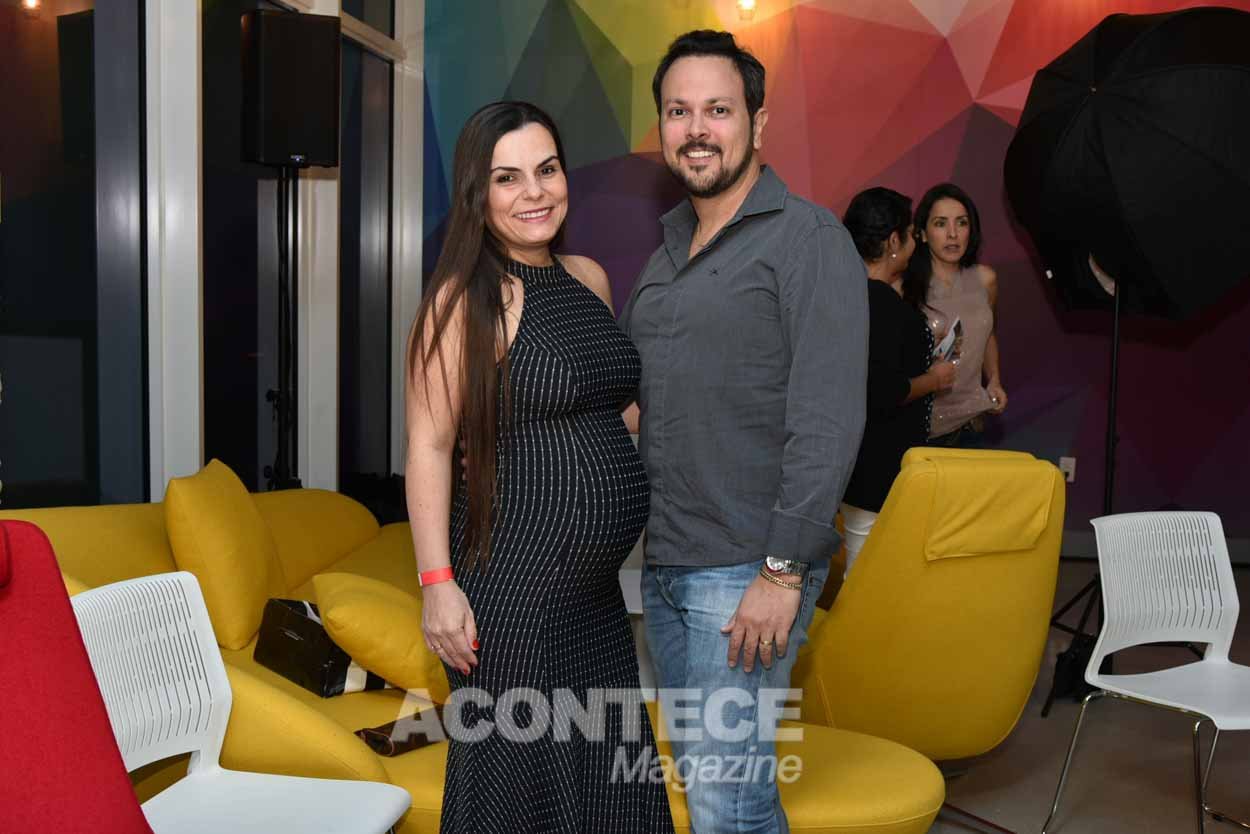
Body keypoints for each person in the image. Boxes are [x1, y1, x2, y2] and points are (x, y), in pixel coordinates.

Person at [621, 30, 868, 833]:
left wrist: (781, 573)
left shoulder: (808, 240)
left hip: (746, 572)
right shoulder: (665, 255)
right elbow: (638, 401)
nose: (697, 129)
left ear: (757, 122)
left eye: (718, 110)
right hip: (668, 564)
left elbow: (828, 419)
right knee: (716, 789)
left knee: (725, 801)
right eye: (678, 111)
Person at [405, 101, 674, 834]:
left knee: (606, 786)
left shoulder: (588, 277)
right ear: (478, 193)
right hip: (514, 594)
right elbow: (428, 446)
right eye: (508, 177)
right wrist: (437, 586)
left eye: (547, 170)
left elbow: (607, 409)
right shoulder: (463, 302)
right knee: (515, 795)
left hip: (592, 597)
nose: (535, 192)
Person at [839, 187, 956, 575]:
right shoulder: (887, 308)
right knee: (868, 577)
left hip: (846, 463)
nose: (915, 243)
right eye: (909, 234)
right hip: (878, 469)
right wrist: (934, 378)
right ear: (893, 242)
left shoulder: (840, 297)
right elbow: (885, 390)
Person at [902, 182, 1007, 448]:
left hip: (972, 423)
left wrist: (994, 380)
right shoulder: (904, 288)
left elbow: (988, 335)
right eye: (940, 224)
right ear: (922, 234)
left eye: (961, 223)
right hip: (922, 431)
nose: (952, 234)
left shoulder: (985, 279)